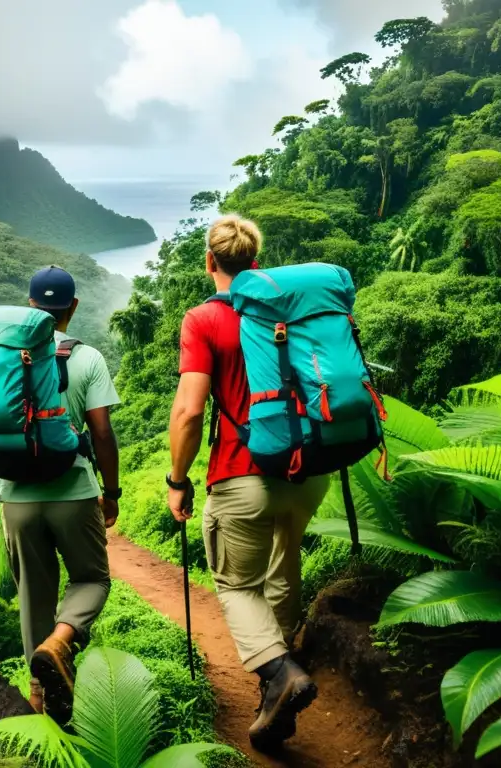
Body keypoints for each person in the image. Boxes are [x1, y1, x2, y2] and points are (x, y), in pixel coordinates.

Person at [166, 215, 329, 751]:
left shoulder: (203, 320)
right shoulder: (287, 307)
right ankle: (273, 699)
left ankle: (280, 673)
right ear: (256, 259)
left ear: (210, 261)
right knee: (285, 566)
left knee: (238, 585)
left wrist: (177, 478)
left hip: (243, 474)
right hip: (308, 472)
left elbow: (190, 412)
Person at [0, 265, 122, 726]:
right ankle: (59, 643)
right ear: (72, 307)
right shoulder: (88, 357)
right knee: (92, 580)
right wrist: (112, 492)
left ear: (30, 306)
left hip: (15, 496)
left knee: (34, 594)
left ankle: (40, 698)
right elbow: (101, 432)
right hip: (73, 492)